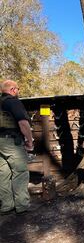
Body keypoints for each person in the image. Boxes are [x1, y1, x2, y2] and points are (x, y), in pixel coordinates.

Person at [0, 80, 33, 215]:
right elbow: (23, 123)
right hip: (11, 141)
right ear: (13, 89)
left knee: (3, 174)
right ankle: (22, 205)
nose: (18, 92)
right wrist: (30, 141)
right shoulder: (13, 102)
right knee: (20, 172)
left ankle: (6, 206)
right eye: (18, 89)